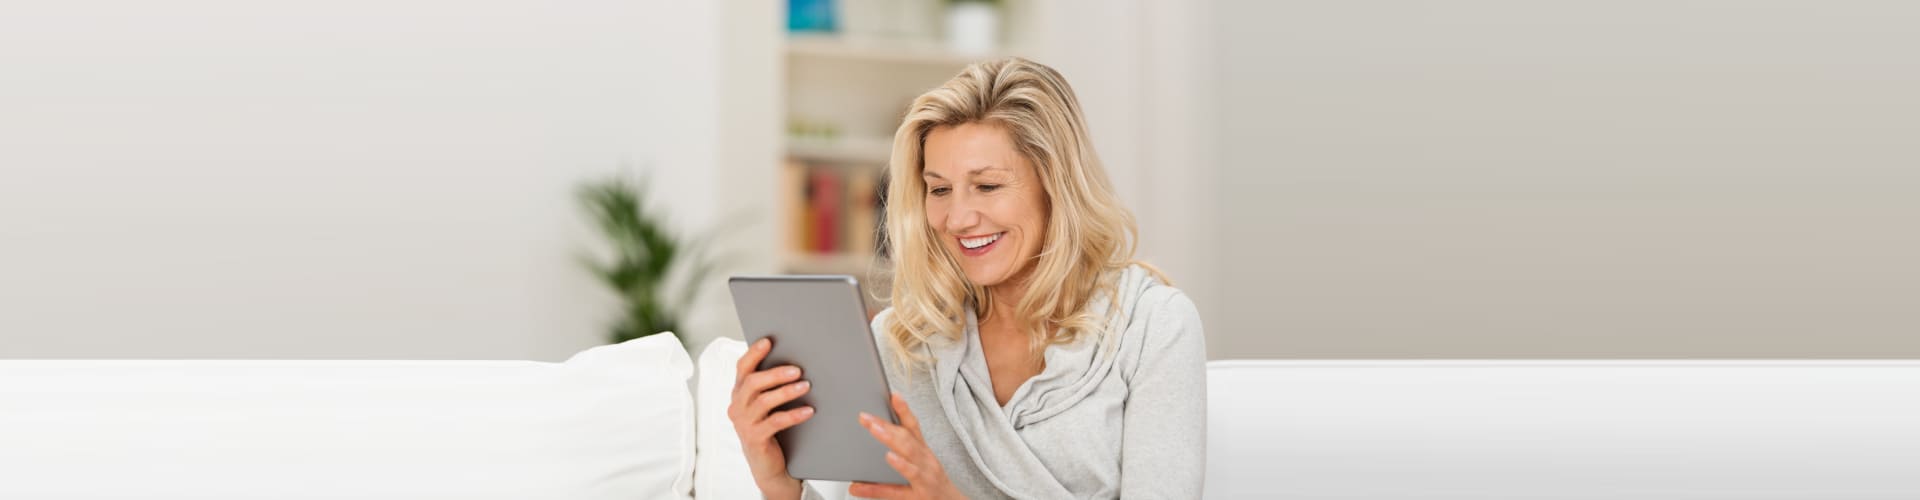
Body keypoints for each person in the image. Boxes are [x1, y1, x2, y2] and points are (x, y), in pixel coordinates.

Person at [729, 57, 1208, 499]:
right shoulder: (903, 342)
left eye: (987, 186)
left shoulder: (1152, 326)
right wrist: (780, 486)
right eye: (938, 189)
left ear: (1055, 185)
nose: (957, 218)